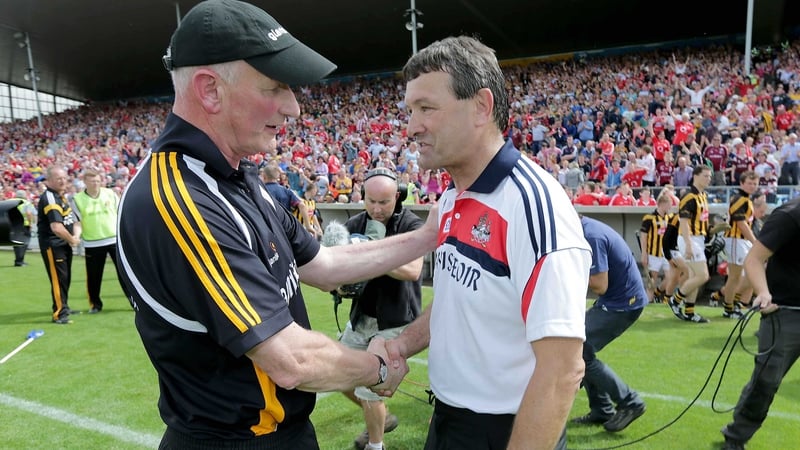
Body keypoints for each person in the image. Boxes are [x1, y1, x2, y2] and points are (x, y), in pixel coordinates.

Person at [115, 1, 438, 448]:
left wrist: (429, 236)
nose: (294, 107)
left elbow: (325, 265)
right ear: (210, 91)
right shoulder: (180, 199)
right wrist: (381, 367)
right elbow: (291, 360)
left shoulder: (237, 177)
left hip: (282, 433)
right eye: (275, 86)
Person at [379, 36, 592, 450]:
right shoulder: (453, 195)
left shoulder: (532, 206)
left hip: (506, 429)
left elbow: (562, 372)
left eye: (426, 108)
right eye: (410, 111)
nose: (411, 127)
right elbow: (458, 300)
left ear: (481, 106)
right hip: (448, 418)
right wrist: (403, 344)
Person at [340, 167, 424, 450]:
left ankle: (376, 446)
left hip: (396, 320)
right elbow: (338, 268)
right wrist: (339, 284)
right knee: (339, 376)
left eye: (384, 202)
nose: (377, 209)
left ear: (397, 196)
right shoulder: (354, 223)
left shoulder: (411, 225)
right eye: (371, 201)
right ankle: (382, 418)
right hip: (361, 317)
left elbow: (413, 270)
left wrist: (374, 250)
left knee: (370, 390)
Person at [720, 196, 800, 450]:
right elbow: (753, 259)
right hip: (784, 313)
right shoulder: (789, 215)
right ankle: (736, 437)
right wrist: (763, 292)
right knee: (766, 381)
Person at [572, 216, 647, 432]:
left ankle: (630, 402)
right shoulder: (587, 229)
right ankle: (602, 410)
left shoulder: (591, 236)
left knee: (579, 350)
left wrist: (568, 271)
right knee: (582, 350)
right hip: (619, 301)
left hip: (622, 304)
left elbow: (599, 284)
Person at [72, 170, 129, 313]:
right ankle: (95, 305)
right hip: (93, 243)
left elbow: (121, 213)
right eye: (92, 181)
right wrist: (76, 236)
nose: (96, 184)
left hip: (114, 240)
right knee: (94, 277)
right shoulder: (77, 199)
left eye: (98, 181)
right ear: (85, 182)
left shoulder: (110, 194)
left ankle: (135, 302)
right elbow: (77, 222)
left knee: (125, 274)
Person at [668, 165, 712, 323]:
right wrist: (688, 244)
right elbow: (684, 222)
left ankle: (689, 312)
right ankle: (675, 299)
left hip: (698, 238)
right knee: (703, 275)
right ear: (696, 176)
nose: (708, 179)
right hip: (690, 239)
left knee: (694, 276)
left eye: (709, 176)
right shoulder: (689, 197)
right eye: (705, 176)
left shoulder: (703, 195)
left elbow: (700, 221)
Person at [38, 166, 81, 324]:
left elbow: (73, 220)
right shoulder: (50, 198)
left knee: (65, 278)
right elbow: (56, 227)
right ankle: (59, 313)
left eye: (64, 178)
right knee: (58, 279)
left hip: (64, 244)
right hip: (54, 245)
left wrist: (74, 237)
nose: (63, 181)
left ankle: (64, 306)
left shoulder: (61, 197)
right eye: (58, 179)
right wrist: (72, 239)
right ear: (49, 181)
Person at [714, 171, 759, 319]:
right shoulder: (740, 199)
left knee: (743, 276)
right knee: (735, 276)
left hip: (742, 241)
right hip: (735, 240)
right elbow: (741, 224)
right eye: (749, 183)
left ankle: (733, 305)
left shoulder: (746, 199)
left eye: (755, 183)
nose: (752, 186)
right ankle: (729, 308)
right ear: (741, 183)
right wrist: (754, 242)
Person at [639, 193, 673, 303]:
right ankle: (648, 301)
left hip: (666, 254)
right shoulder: (649, 218)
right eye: (669, 204)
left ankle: (658, 293)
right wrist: (644, 254)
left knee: (670, 277)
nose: (670, 207)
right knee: (652, 279)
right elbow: (643, 236)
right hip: (653, 254)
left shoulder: (669, 217)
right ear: (662, 204)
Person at [259, 164, 312, 229]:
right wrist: (308, 226)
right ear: (278, 176)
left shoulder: (259, 191)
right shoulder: (287, 191)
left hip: (267, 226)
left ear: (264, 176)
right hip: (285, 226)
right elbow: (302, 205)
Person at [13, 189, 35, 267]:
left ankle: (18, 260)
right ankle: (20, 261)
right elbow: (28, 214)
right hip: (24, 225)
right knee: (24, 243)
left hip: (13, 225)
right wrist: (30, 223)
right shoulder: (26, 203)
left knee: (16, 242)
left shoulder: (11, 202)